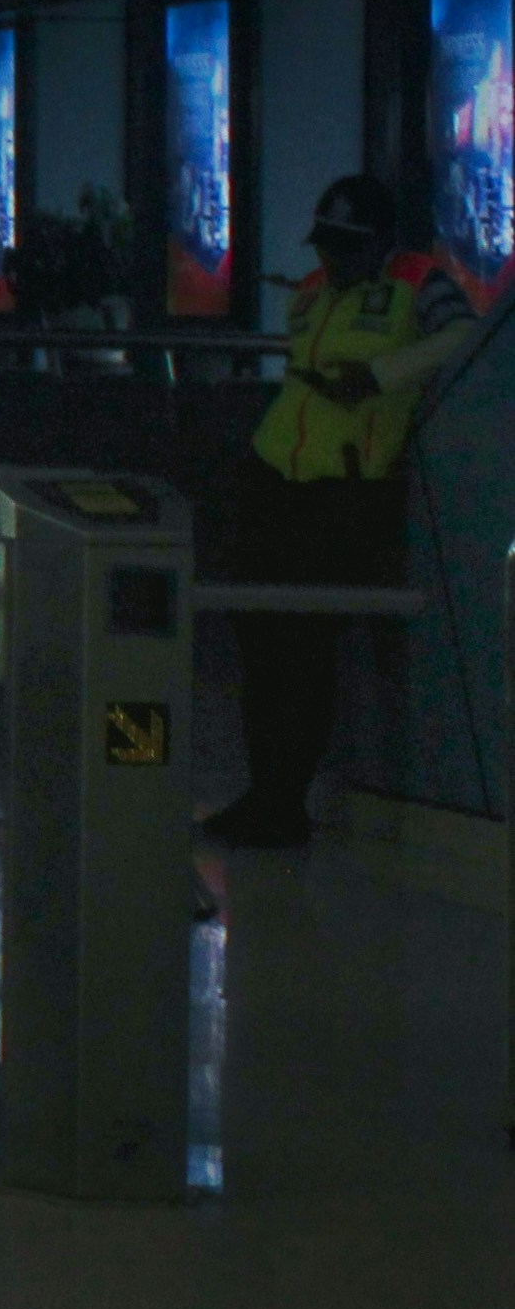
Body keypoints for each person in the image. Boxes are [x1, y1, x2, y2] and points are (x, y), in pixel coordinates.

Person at [212, 173, 477, 845]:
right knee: (260, 642)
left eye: (348, 246)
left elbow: (465, 337)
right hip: (274, 476)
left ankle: (284, 800)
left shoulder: (420, 283)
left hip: (344, 489)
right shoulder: (311, 289)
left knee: (303, 646)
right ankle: (264, 792)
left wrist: (381, 377)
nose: (333, 259)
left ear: (383, 242)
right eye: (327, 244)